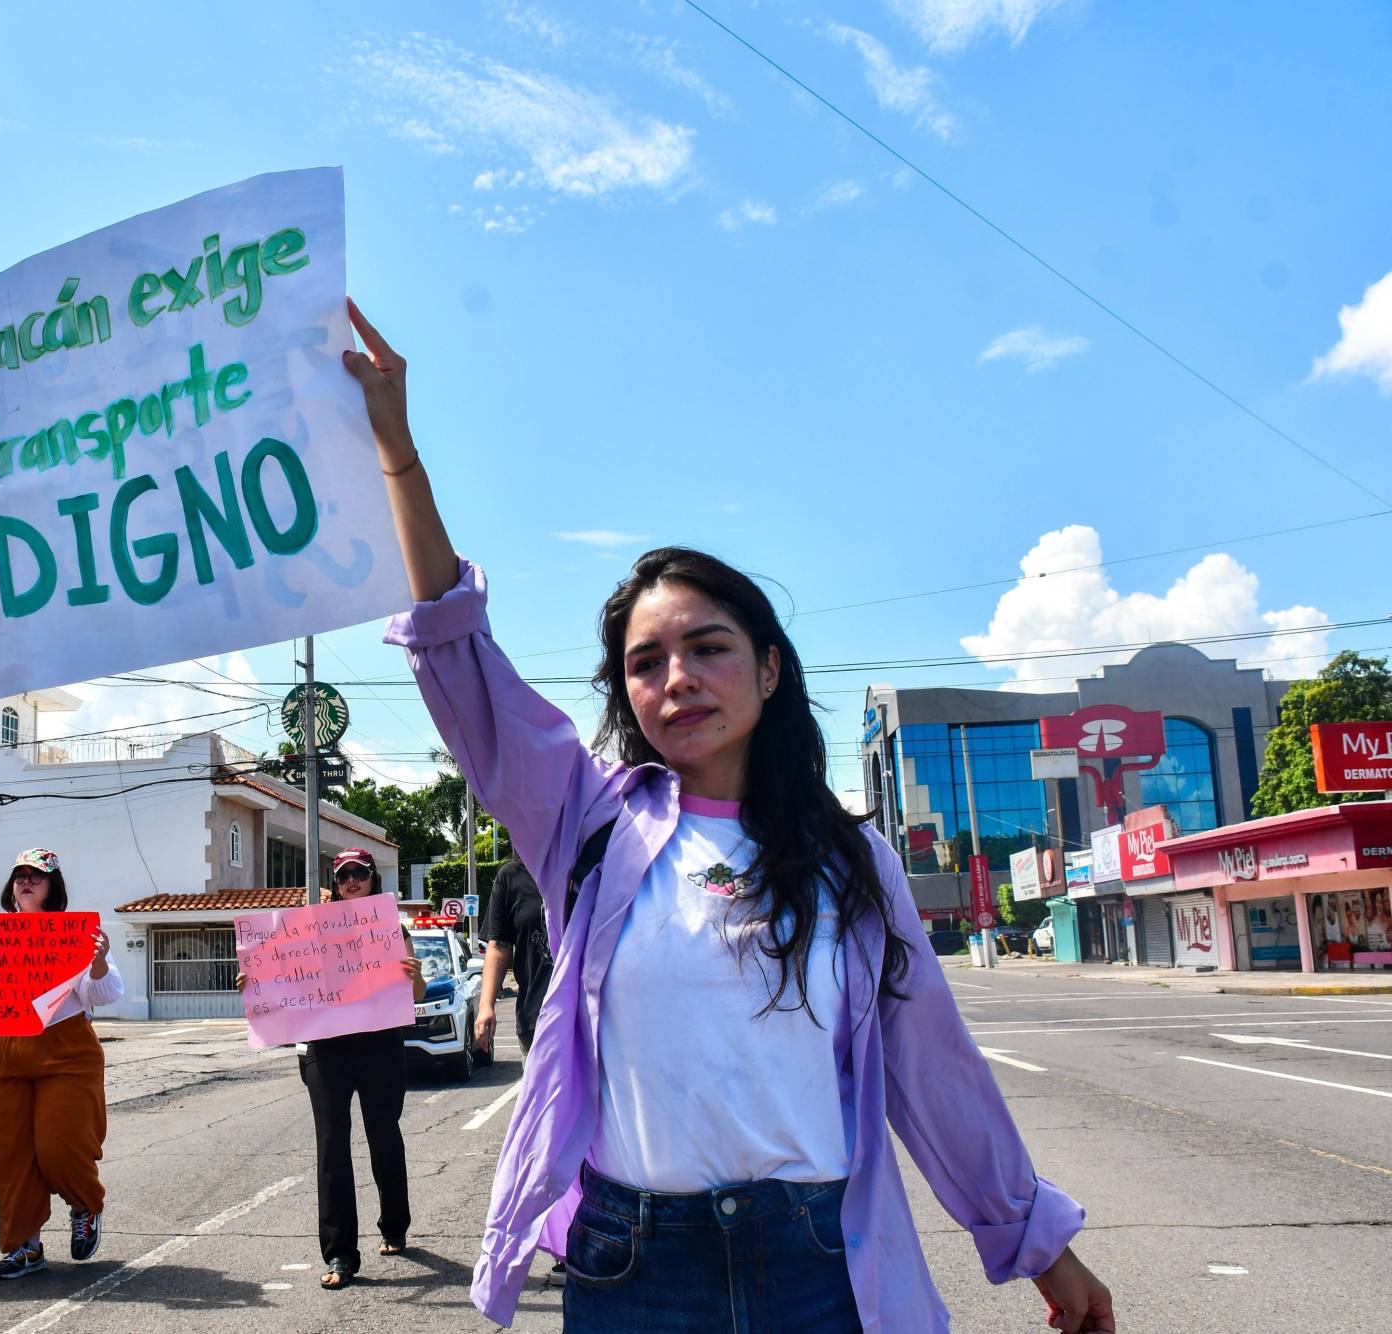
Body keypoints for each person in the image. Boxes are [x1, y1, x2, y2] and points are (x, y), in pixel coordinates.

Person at [344, 300, 1116, 1333]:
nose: (676, 678)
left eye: (706, 646)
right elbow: (458, 654)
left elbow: (932, 1066)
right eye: (644, 662)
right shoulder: (584, 816)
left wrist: (1036, 1245)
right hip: (632, 1263)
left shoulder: (850, 860)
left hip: (815, 1257)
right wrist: (399, 452)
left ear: (765, 666)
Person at [0, 849, 122, 1280]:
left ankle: (84, 1205)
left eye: (37, 876)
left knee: (61, 1144)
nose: (26, 881)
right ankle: (26, 1245)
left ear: (53, 887)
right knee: (9, 1152)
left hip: (67, 1049)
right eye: (19, 875)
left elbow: (104, 993)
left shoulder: (74, 933)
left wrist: (95, 963)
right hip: (3, 1049)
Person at [244, 848, 426, 1291]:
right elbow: (281, 973)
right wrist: (254, 980)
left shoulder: (392, 929)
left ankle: (394, 1223)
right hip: (327, 1049)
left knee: (384, 1136)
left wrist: (415, 976)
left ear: (372, 879)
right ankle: (341, 1253)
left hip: (380, 1047)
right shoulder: (310, 931)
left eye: (359, 873)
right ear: (335, 880)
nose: (351, 881)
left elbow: (415, 994)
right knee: (331, 1146)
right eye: (343, 875)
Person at [475, 854, 549, 1056]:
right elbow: (499, 946)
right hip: (536, 1017)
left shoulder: (583, 862)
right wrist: (486, 1006)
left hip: (588, 1014)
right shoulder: (510, 876)